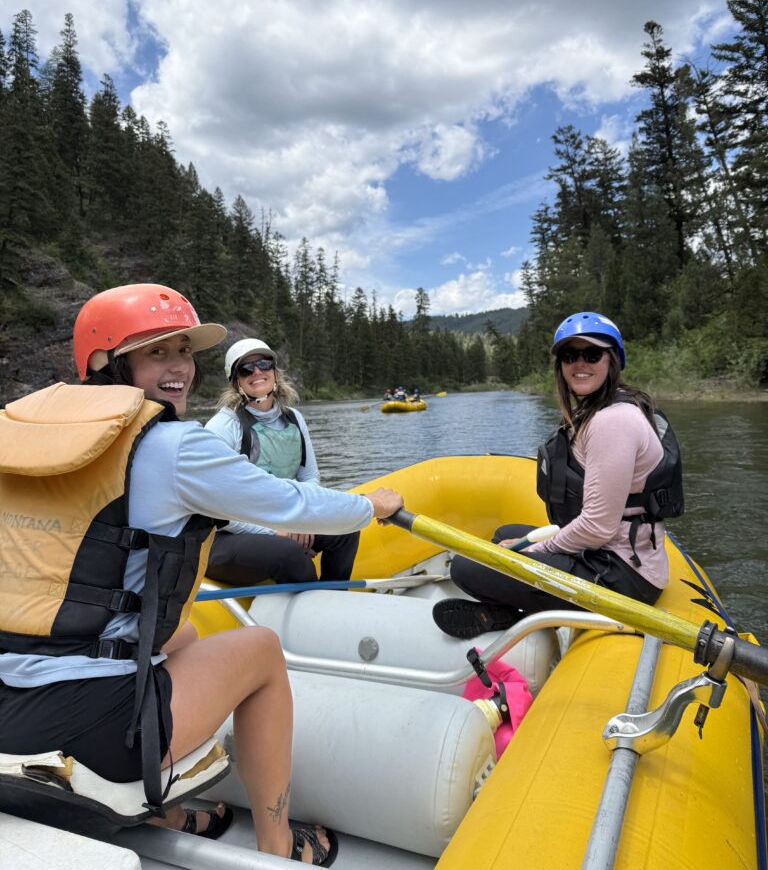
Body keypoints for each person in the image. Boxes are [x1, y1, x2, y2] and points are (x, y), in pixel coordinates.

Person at [0, 283, 403, 865]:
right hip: (94, 729)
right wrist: (371, 506)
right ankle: (278, 844)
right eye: (157, 352)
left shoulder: (20, 439)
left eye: (184, 351)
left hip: (9, 703)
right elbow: (291, 503)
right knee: (261, 650)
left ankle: (162, 812)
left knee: (182, 634)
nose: (180, 368)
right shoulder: (171, 446)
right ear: (109, 364)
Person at [432, 311, 683, 639]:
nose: (580, 364)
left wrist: (536, 549)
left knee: (466, 568)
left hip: (623, 580)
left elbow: (597, 526)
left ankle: (506, 614)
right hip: (611, 555)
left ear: (612, 360)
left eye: (592, 354)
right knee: (507, 533)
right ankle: (514, 612)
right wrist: (528, 545)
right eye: (569, 356)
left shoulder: (613, 421)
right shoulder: (606, 409)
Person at [204, 339, 359, 586]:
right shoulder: (222, 427)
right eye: (246, 369)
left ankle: (334, 596)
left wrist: (303, 520)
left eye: (264, 364)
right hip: (223, 537)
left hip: (283, 521)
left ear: (275, 372)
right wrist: (277, 532)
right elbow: (217, 510)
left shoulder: (294, 418)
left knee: (346, 529)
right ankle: (309, 604)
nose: (257, 372)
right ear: (235, 381)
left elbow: (308, 477)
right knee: (290, 553)